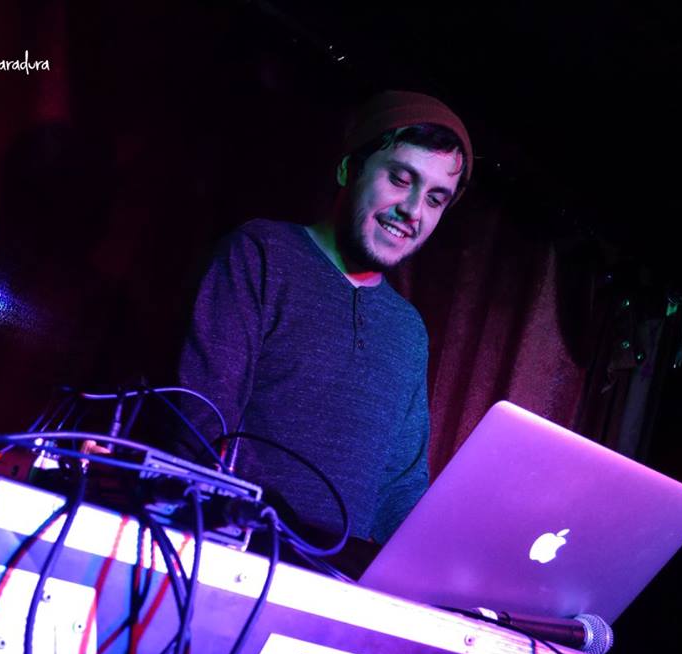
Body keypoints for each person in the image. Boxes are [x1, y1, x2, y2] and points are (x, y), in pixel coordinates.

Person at [178, 90, 473, 551]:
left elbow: (400, 487)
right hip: (231, 552)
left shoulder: (407, 329)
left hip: (333, 577)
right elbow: (201, 420)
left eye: (435, 199)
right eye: (400, 179)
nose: (413, 211)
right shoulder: (261, 255)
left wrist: (442, 566)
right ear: (348, 169)